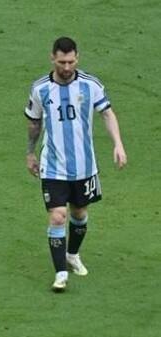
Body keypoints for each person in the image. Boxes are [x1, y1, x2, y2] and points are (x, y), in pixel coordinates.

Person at [25, 36, 127, 292]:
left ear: (77, 58)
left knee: (79, 214)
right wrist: (30, 153)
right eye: (62, 62)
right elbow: (34, 123)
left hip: (84, 166)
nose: (67, 67)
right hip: (53, 166)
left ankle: (72, 254)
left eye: (71, 61)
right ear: (52, 58)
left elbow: (107, 113)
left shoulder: (90, 85)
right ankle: (60, 273)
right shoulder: (40, 89)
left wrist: (118, 144)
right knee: (58, 216)